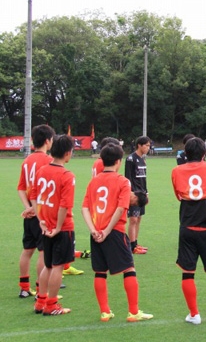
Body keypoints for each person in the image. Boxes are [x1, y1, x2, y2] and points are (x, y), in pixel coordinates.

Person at [81, 143, 153, 322]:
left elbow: (84, 208)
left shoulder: (94, 181)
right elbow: (121, 208)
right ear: (118, 161)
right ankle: (133, 312)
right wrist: (106, 231)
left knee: (100, 272)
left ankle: (105, 312)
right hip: (114, 231)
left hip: (96, 232)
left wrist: (94, 230)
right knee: (129, 268)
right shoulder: (123, 181)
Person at [171, 137, 206, 324]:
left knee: (187, 272)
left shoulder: (177, 171)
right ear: (205, 153)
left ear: (185, 153)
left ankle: (194, 314)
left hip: (187, 226)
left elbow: (179, 195)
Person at [33, 135, 75, 316]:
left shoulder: (42, 170)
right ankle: (51, 305)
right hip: (61, 228)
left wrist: (40, 220)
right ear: (67, 153)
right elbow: (65, 205)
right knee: (58, 266)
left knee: (48, 265)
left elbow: (34, 196)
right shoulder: (67, 175)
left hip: (45, 225)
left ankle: (40, 302)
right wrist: (58, 227)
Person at [17, 125, 55, 298]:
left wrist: (28, 208)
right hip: (42, 214)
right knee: (43, 252)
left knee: (27, 250)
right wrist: (35, 208)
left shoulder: (27, 161)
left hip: (29, 214)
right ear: (47, 141)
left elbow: (21, 188)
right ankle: (41, 290)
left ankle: (24, 287)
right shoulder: (49, 161)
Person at [125, 136, 151, 254]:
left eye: (149, 146)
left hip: (142, 194)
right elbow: (128, 177)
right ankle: (131, 246)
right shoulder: (131, 159)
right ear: (139, 145)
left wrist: (146, 193)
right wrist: (131, 193)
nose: (148, 148)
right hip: (134, 195)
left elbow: (144, 179)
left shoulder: (143, 160)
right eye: (146, 145)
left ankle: (135, 243)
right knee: (133, 219)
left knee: (139, 218)